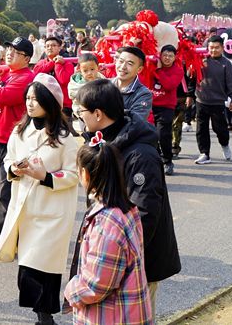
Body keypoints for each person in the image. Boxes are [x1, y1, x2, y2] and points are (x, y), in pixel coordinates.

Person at [74, 79, 180, 315]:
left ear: (98, 114)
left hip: (135, 261)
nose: (79, 118)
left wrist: (115, 254)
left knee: (133, 317)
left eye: (81, 112)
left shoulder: (139, 154)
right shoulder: (105, 142)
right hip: (111, 255)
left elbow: (145, 214)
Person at [0, 74, 79, 325]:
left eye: (36, 99)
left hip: (53, 212)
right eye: (28, 98)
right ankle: (42, 316)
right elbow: (8, 159)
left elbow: (74, 174)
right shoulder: (20, 131)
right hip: (27, 210)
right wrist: (14, 169)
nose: (30, 104)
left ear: (49, 102)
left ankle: (45, 317)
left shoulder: (64, 137)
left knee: (45, 268)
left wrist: (46, 176)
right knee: (28, 268)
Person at [63, 135, 152, 324]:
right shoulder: (126, 209)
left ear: (85, 174)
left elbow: (96, 284)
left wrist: (71, 290)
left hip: (110, 317)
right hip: (127, 312)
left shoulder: (106, 223)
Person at [0, 37, 35, 260]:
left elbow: (3, 97)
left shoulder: (25, 78)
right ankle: (15, 237)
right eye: (9, 48)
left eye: (16, 51)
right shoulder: (5, 74)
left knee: (6, 194)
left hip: (13, 143)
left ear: (27, 58)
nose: (10, 53)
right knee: (6, 191)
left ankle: (3, 242)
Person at [190, 36, 232, 165]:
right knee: (201, 129)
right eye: (211, 47)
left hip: (218, 102)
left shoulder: (226, 63)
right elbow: (191, 76)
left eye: (217, 47)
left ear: (222, 48)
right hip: (201, 100)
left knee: (220, 128)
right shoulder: (201, 59)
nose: (213, 50)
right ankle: (204, 154)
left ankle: (225, 144)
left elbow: (231, 83)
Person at [151, 45, 184, 176]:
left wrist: (159, 71)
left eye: (170, 56)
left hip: (166, 107)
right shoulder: (151, 66)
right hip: (150, 105)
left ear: (175, 57)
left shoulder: (178, 70)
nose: (167, 58)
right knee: (150, 134)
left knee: (163, 135)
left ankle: (168, 161)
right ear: (160, 55)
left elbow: (169, 85)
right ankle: (156, 158)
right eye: (165, 55)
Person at [33, 36, 75, 119]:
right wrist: (53, 62)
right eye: (47, 46)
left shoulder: (67, 64)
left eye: (53, 45)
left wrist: (58, 64)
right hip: (44, 104)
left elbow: (63, 80)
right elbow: (36, 73)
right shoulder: (41, 63)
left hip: (63, 105)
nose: (50, 48)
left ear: (59, 48)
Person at [112, 46, 152, 123]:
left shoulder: (143, 94)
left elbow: (136, 121)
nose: (123, 67)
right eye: (121, 61)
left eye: (129, 64)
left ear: (139, 69)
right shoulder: (103, 85)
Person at [68, 52, 104, 123]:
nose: (89, 73)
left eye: (92, 69)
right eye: (85, 71)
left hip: (99, 113)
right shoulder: (77, 83)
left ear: (98, 68)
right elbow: (72, 94)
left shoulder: (102, 79)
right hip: (82, 114)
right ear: (80, 71)